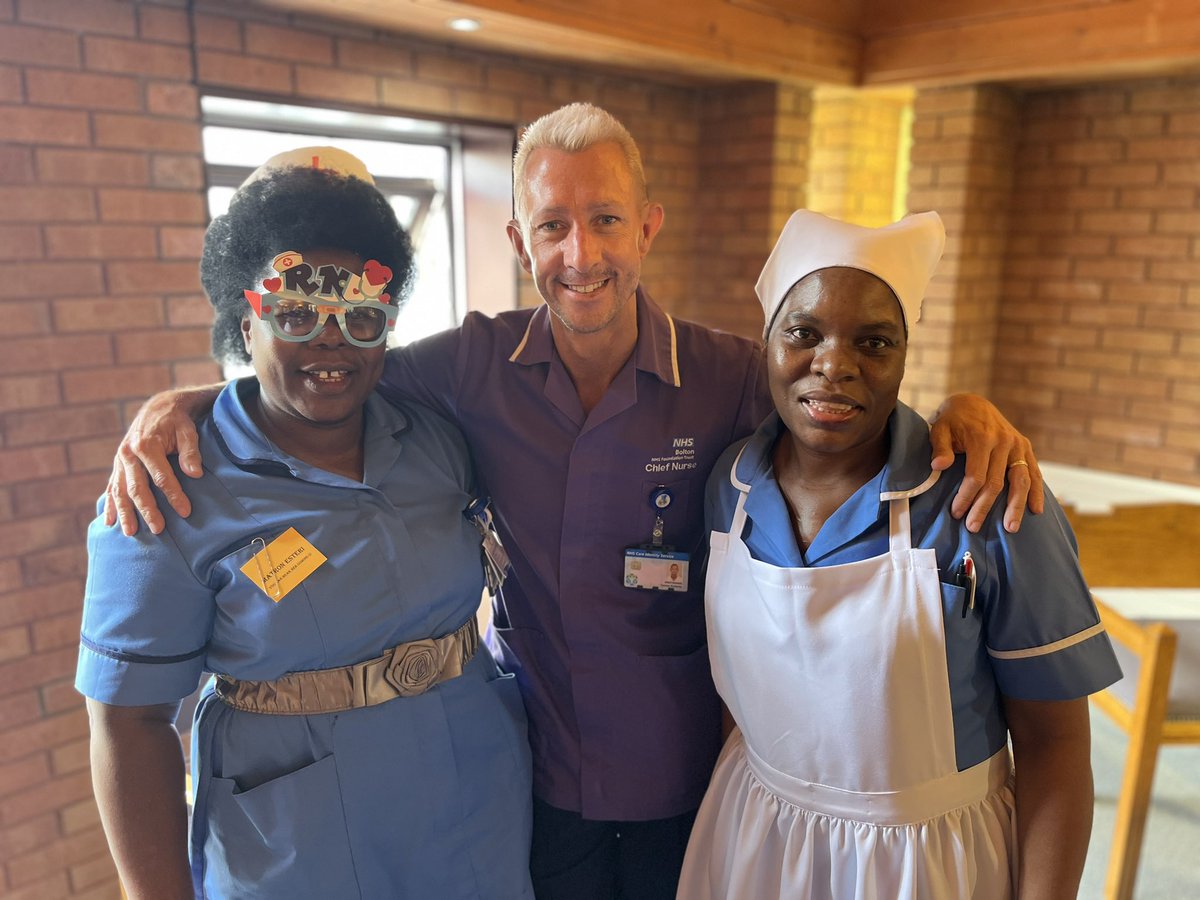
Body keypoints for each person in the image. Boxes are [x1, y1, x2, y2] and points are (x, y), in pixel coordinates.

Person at [102, 104, 1044, 899]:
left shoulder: (726, 376)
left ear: (649, 227)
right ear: (518, 241)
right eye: (552, 225)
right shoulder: (467, 370)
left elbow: (841, 394)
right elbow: (322, 362)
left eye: (604, 219)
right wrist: (192, 399)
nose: (579, 252)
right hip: (538, 773)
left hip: (692, 773)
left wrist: (963, 409)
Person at [76, 150, 534, 899]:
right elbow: (129, 722)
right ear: (243, 319)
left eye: (360, 317)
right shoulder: (167, 490)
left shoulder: (438, 440)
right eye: (294, 315)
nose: (331, 340)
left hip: (476, 806)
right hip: (296, 846)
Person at [677, 210, 1120, 899]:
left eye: (874, 342)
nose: (834, 365)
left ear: (906, 355)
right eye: (803, 332)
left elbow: (1055, 747)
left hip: (928, 864)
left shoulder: (988, 501)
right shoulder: (729, 488)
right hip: (753, 835)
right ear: (764, 339)